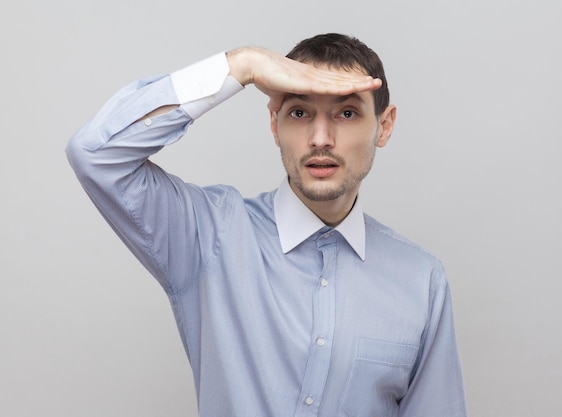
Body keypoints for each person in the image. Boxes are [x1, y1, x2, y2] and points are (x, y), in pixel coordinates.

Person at [66, 33, 468, 417]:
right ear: (274, 125)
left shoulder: (421, 279)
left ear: (386, 125)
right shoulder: (210, 235)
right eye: (299, 112)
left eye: (346, 113)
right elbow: (95, 155)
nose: (320, 138)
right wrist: (244, 65)